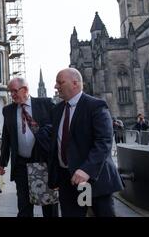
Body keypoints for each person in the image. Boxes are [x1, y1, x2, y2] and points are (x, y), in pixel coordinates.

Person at [47, 68, 124, 217]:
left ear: (75, 83)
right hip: (67, 181)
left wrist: (87, 170)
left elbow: (104, 141)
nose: (56, 86)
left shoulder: (95, 106)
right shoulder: (57, 110)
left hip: (90, 180)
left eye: (60, 82)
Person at [0, 77, 58, 217]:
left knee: (48, 204)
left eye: (14, 91)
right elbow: (7, 138)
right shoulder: (8, 110)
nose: (12, 95)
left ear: (25, 89)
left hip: (42, 163)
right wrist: (2, 163)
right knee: (24, 206)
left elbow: (56, 129)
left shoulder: (45, 104)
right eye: (10, 91)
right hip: (21, 164)